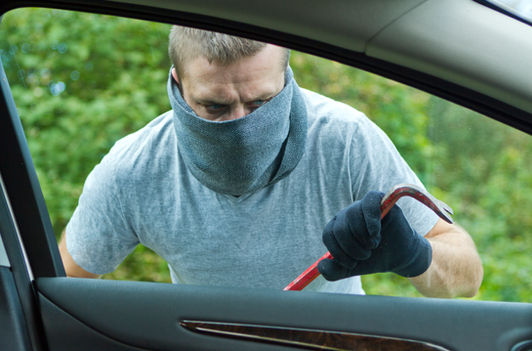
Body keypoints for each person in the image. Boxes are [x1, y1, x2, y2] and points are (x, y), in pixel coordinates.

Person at [59, 26, 483, 298]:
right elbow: (55, 292)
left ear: (287, 77)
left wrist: (416, 255)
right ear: (177, 85)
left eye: (262, 101)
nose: (243, 128)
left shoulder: (345, 141)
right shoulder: (135, 169)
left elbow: (468, 276)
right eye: (214, 106)